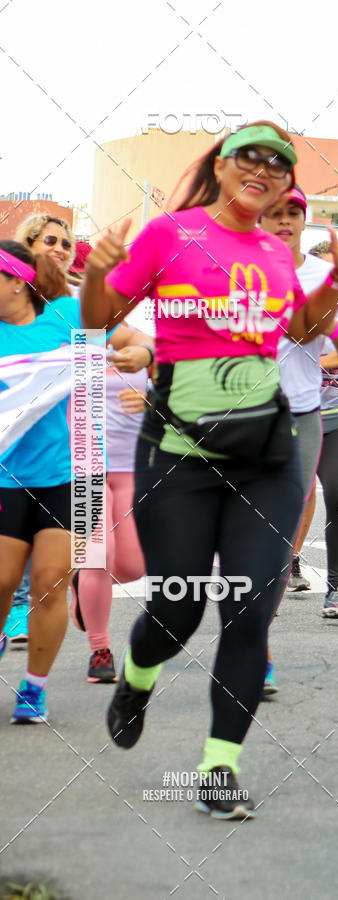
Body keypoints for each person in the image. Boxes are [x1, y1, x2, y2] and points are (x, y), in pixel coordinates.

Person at [80, 121, 338, 818]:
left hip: (264, 455)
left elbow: (302, 331)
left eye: (279, 164)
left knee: (249, 612)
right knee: (177, 605)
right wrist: (97, 271)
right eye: (251, 157)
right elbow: (100, 316)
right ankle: (138, 674)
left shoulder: (275, 252)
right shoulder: (170, 234)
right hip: (177, 451)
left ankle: (219, 767)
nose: (264, 170)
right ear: (223, 162)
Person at [2, 219, 153, 649]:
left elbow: (138, 339)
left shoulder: (76, 311)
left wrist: (143, 353)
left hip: (87, 454)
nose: (60, 249)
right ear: (26, 249)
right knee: (51, 562)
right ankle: (94, 644)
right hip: (17, 462)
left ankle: (69, 586)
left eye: (67, 243)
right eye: (49, 240)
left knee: (121, 564)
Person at [259, 187, 338, 694]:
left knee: (278, 531)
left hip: (305, 413)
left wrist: (335, 294)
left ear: (305, 219)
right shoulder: (234, 269)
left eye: (293, 212)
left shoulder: (325, 275)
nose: (283, 221)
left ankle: (259, 647)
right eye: (273, 212)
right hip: (242, 415)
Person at [0, 241, 82, 721]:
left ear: (16, 280)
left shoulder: (67, 317)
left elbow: (125, 339)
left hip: (66, 473)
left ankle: (34, 687)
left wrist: (142, 351)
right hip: (4, 477)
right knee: (4, 579)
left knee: (51, 580)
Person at [289, 241, 338, 618]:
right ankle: (281, 568)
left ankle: (336, 589)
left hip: (336, 419)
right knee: (289, 501)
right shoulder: (289, 298)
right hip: (291, 421)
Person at [70, 355, 149, 683]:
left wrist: (154, 401)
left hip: (132, 466)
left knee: (133, 566)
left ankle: (82, 585)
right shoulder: (74, 335)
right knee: (98, 556)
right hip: (83, 468)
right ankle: (100, 649)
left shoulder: (148, 341)